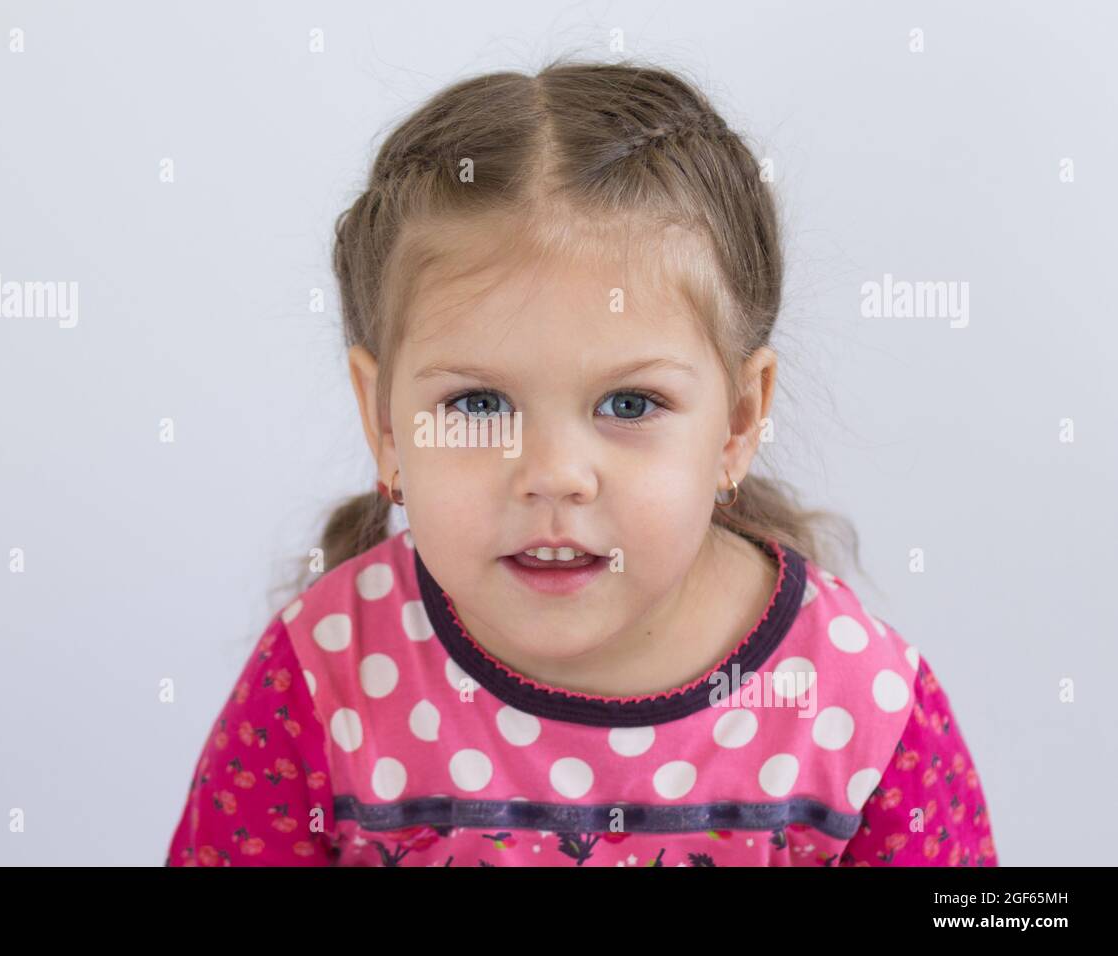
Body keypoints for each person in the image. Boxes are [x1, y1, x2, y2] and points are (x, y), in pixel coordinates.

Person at [166, 57, 997, 867]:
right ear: (385, 422)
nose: (555, 474)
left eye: (629, 405)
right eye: (479, 404)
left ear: (740, 421)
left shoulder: (858, 705)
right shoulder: (324, 674)